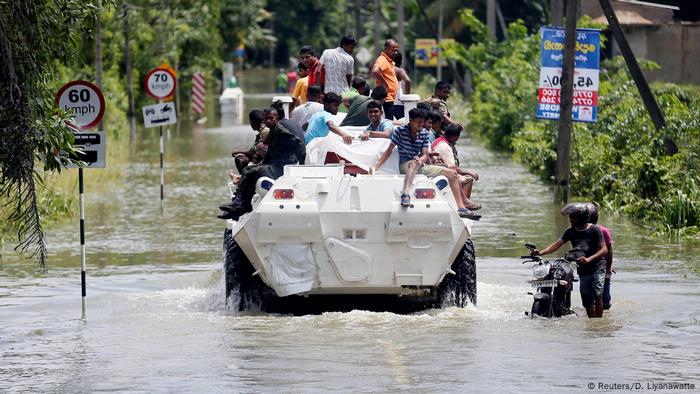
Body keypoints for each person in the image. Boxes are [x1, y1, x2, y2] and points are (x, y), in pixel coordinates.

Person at [371, 108, 480, 220]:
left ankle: (461, 208)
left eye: (422, 122)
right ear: (411, 121)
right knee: (413, 164)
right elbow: (389, 150)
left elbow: (425, 155)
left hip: (420, 164)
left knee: (452, 173)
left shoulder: (423, 133)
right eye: (419, 122)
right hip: (405, 165)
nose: (421, 124)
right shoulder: (400, 131)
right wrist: (377, 166)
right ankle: (406, 193)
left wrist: (421, 159)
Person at [219, 108, 306, 220]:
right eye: (266, 119)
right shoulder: (273, 131)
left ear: (277, 119)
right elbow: (261, 146)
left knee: (256, 170)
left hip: (281, 167)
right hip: (274, 164)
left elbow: (299, 145)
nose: (269, 121)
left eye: (271, 118)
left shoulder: (281, 131)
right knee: (248, 170)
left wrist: (302, 167)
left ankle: (241, 204)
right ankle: (239, 204)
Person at [534, 203, 608, 318]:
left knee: (597, 293)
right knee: (586, 298)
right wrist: (541, 252)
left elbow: (604, 250)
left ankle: (598, 321)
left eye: (573, 218)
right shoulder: (570, 231)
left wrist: (589, 259)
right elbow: (556, 244)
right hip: (583, 269)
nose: (570, 220)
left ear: (581, 218)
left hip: (597, 266)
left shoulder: (595, 230)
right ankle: (592, 322)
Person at [431, 124, 481, 210]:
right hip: (442, 173)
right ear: (455, 137)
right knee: (468, 179)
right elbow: (452, 168)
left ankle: (464, 202)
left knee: (463, 176)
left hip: (438, 169)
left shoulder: (439, 140)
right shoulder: (445, 147)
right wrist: (469, 172)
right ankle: (465, 204)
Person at [587, 202, 614, 310]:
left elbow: (609, 251)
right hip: (587, 267)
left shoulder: (603, 231)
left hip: (601, 267)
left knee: (605, 300)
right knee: (590, 298)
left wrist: (608, 270)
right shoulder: (580, 231)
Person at [230, 109, 269, 175]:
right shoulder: (264, 130)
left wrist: (237, 151)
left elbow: (251, 152)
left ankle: (242, 179)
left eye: (250, 121)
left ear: (253, 122)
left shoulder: (265, 131)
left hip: (265, 162)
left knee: (240, 159)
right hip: (263, 160)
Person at [371, 39, 400, 118]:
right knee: (388, 123)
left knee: (388, 122)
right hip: (385, 98)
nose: (396, 53)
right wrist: (384, 83)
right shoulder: (382, 59)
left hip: (389, 98)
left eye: (397, 50)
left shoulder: (389, 61)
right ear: (386, 49)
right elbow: (375, 71)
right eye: (393, 50)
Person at [392, 53, 411, 121]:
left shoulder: (385, 70)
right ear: (400, 61)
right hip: (398, 103)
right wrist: (406, 96)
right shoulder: (399, 70)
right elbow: (408, 81)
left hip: (387, 102)